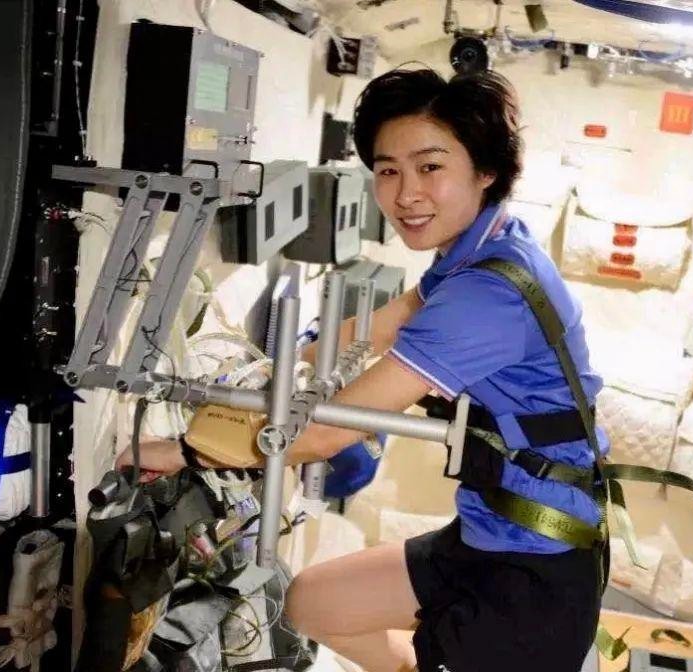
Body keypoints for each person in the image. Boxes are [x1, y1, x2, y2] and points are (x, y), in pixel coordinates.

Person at [123, 67, 610, 672]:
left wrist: (178, 453)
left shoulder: (489, 294)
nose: (406, 194)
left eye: (430, 167)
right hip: (487, 533)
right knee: (312, 604)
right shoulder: (484, 247)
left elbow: (327, 433)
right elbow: (387, 322)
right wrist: (269, 366)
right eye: (388, 171)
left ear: (485, 170)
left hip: (533, 574)